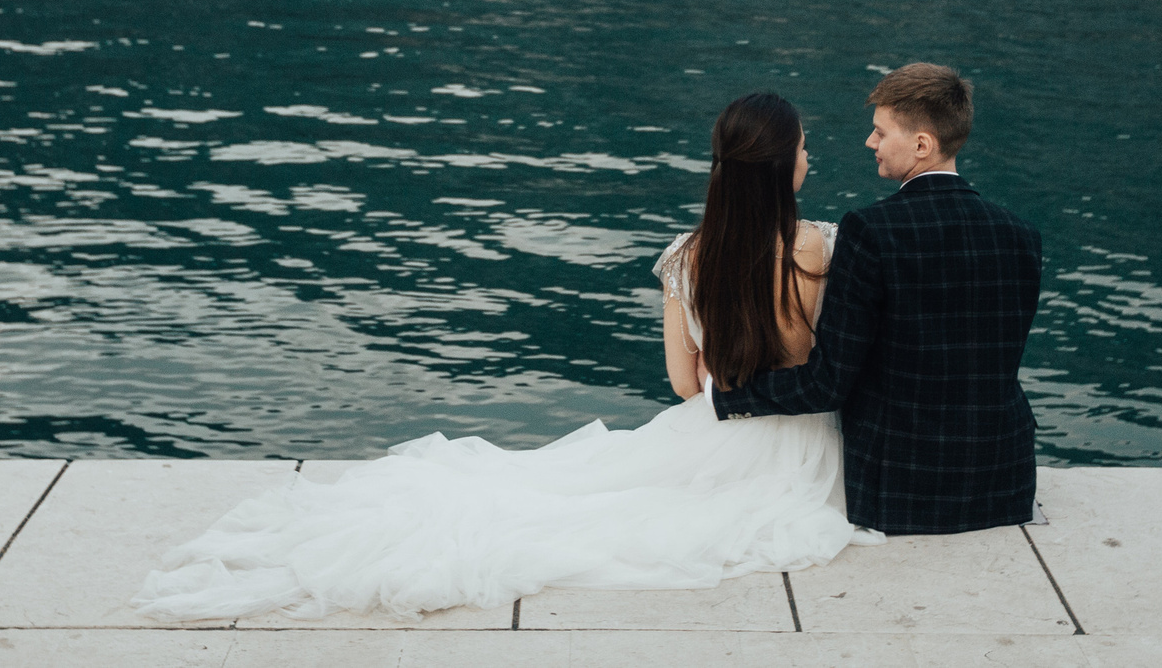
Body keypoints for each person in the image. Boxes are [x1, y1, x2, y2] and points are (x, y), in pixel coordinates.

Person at [130, 91, 876, 622]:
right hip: (795, 444)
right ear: (781, 165)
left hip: (713, 421)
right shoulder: (818, 247)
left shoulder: (686, 256)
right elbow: (829, 366)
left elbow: (685, 384)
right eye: (806, 144)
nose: (813, 154)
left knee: (563, 498)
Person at [710, 62, 1044, 534]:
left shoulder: (871, 231)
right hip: (1003, 482)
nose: (871, 143)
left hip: (901, 488)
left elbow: (827, 383)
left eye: (881, 132)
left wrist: (731, 397)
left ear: (922, 144)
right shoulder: (1022, 235)